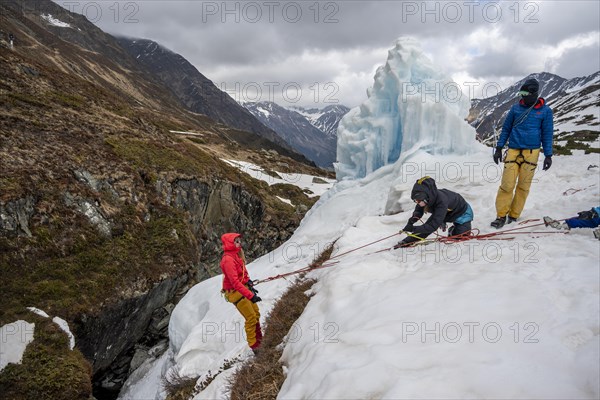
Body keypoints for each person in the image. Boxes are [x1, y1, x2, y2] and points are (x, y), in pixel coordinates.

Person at [491, 78, 554, 229]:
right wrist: (499, 148)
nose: (522, 96)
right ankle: (501, 216)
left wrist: (548, 155)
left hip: (532, 153)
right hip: (513, 150)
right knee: (507, 185)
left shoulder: (545, 111)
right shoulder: (515, 109)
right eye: (521, 93)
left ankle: (513, 215)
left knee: (523, 186)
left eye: (525, 93)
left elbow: (547, 133)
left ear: (534, 93)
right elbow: (506, 129)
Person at [394, 176, 474, 248]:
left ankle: (453, 230)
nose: (417, 203)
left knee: (459, 237)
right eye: (415, 201)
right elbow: (418, 211)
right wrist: (411, 221)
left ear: (427, 197)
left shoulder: (441, 202)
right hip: (445, 212)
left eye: (419, 200)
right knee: (428, 226)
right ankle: (407, 241)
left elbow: (432, 227)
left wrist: (413, 228)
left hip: (462, 213)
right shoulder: (425, 199)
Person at [220, 233, 263, 354]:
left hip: (243, 288)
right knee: (250, 318)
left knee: (256, 314)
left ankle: (260, 340)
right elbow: (234, 282)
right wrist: (251, 295)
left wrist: (248, 282)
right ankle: (255, 346)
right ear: (230, 243)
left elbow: (242, 272)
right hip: (236, 293)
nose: (240, 243)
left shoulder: (236, 254)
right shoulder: (228, 260)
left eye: (239, 240)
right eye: (236, 241)